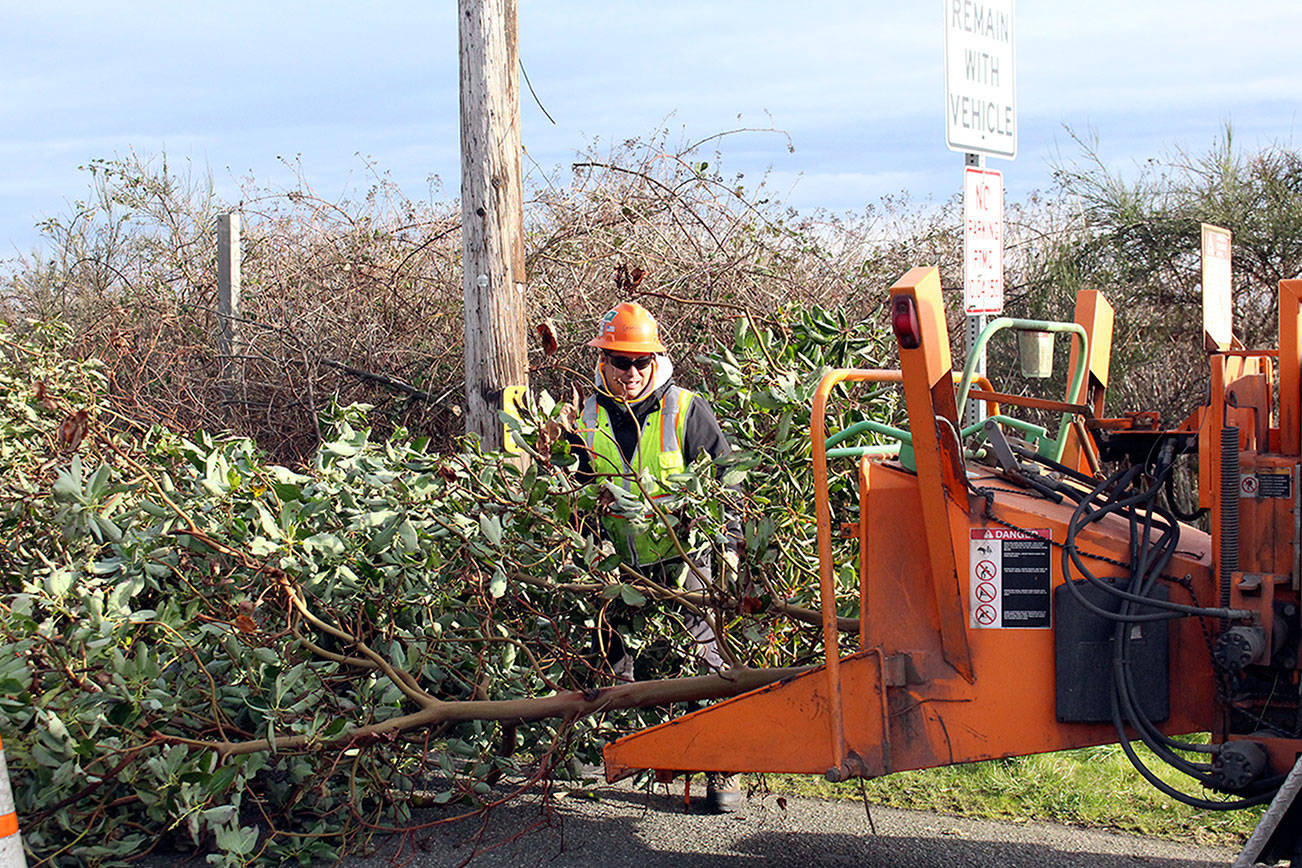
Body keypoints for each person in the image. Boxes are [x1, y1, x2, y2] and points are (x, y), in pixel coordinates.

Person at [574, 300, 743, 813]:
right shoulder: (585, 415)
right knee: (613, 662)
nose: (630, 372)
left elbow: (728, 481)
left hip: (685, 562)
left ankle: (722, 768)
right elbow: (576, 492)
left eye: (640, 361)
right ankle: (607, 752)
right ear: (603, 361)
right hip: (618, 567)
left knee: (706, 662)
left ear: (655, 360)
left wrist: (729, 549)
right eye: (620, 361)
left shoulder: (686, 409)